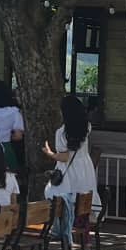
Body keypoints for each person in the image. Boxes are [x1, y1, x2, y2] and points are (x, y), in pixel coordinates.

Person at [43, 92, 95, 239]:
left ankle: (61, 231)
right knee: (82, 201)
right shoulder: (87, 127)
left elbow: (64, 157)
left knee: (55, 196)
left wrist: (49, 153)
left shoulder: (61, 133)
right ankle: (83, 237)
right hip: (85, 168)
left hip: (68, 171)